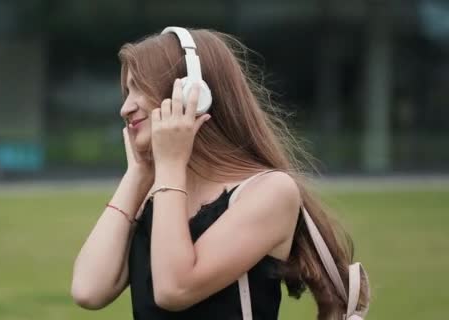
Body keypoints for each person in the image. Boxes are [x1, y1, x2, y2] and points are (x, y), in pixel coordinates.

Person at [71, 27, 369, 320]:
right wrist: (137, 174)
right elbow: (89, 290)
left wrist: (171, 167)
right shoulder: (157, 189)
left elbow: (174, 289)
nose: (125, 107)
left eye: (139, 87)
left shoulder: (270, 191)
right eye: (126, 91)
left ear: (193, 94)